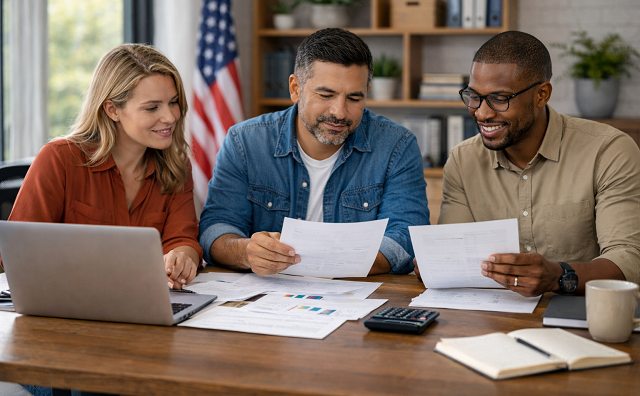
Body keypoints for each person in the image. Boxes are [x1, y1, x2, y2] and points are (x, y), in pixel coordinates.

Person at [414, 31, 640, 296]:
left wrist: (558, 276)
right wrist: (438, 263)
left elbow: (629, 260)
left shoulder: (608, 151)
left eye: (500, 98)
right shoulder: (464, 161)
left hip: (582, 314)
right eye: (473, 96)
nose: (482, 113)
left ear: (541, 95)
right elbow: (456, 257)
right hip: (493, 317)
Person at [199, 28, 430, 276]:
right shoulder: (244, 141)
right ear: (295, 88)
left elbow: (405, 236)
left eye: (354, 98)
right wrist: (247, 252)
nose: (339, 112)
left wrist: (321, 262)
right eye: (326, 94)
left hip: (357, 297)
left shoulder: (397, 145)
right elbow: (216, 228)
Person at [7, 44, 202, 291]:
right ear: (112, 110)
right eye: (152, 107)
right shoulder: (59, 159)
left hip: (144, 303)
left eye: (173, 102)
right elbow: (18, 252)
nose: (171, 116)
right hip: (66, 303)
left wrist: (182, 258)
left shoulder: (176, 165)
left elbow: (182, 238)